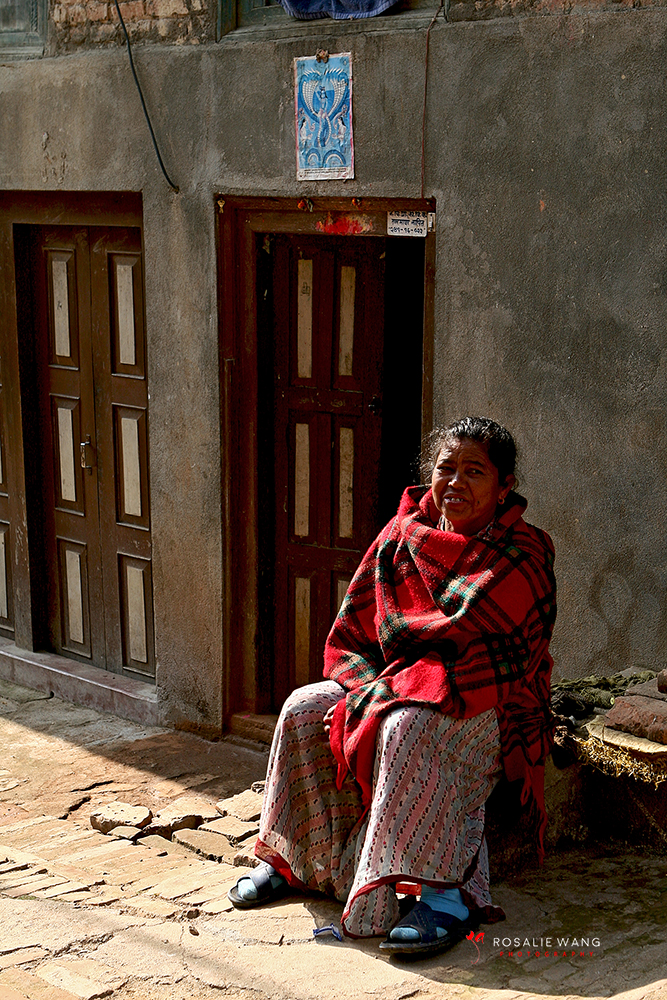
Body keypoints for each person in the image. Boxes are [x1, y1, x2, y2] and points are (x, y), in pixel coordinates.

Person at [228, 416, 557, 957]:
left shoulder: (524, 551)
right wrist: (367, 690)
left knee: (411, 724)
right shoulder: (401, 536)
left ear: (504, 486)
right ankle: (295, 864)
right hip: (393, 683)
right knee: (303, 707)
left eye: (474, 471)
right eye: (446, 468)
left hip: (487, 699)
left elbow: (507, 660)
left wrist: (390, 696)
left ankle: (445, 896)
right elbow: (351, 635)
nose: (456, 482)